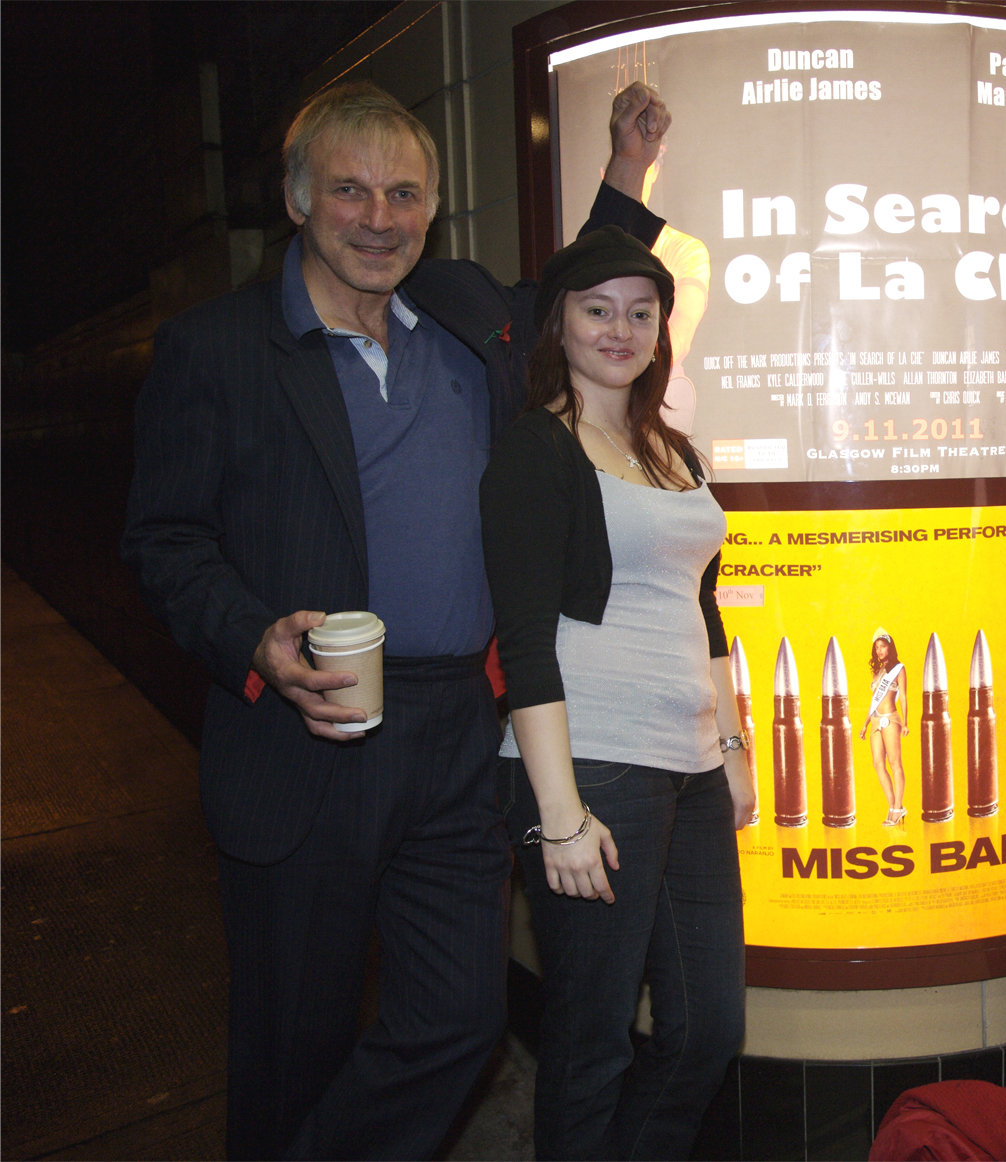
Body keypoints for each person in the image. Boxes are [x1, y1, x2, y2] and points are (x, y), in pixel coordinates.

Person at [121, 80, 671, 1159]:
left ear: (432, 210)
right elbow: (163, 539)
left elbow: (576, 289)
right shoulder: (219, 350)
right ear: (295, 198)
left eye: (404, 193)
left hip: (457, 735)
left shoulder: (467, 314)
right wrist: (253, 639)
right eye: (350, 191)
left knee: (459, 1024)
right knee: (295, 1042)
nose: (379, 217)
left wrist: (627, 172)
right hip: (306, 737)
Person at [478, 225, 755, 1159]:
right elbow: (523, 642)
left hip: (688, 768)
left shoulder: (672, 448)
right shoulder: (537, 448)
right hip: (591, 765)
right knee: (591, 1044)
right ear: (559, 320)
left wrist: (731, 743)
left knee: (708, 1029)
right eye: (598, 309)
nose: (620, 328)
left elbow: (706, 609)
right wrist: (558, 815)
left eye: (641, 312)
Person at [859, 628, 909, 825]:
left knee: (895, 763)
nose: (879, 650)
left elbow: (903, 696)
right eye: (877, 647)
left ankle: (898, 807)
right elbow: (873, 700)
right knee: (878, 764)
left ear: (890, 647)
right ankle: (893, 807)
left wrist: (905, 722)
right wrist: (864, 724)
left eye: (883, 646)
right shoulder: (877, 671)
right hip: (875, 721)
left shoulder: (899, 669)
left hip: (890, 718)